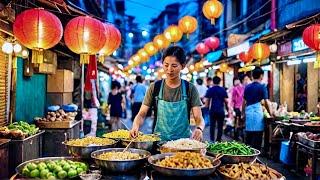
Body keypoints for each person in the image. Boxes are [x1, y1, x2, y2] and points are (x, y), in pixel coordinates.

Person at [130, 46, 205, 141]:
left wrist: (199, 128)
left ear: (183, 66)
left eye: (174, 66)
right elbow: (142, 113)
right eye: (166, 65)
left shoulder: (190, 88)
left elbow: (198, 117)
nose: (169, 69)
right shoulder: (154, 87)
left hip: (183, 144)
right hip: (158, 143)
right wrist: (135, 126)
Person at [242, 67, 272, 150]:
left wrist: (243, 114)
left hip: (248, 112)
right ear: (261, 76)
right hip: (257, 114)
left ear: (252, 76)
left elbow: (243, 102)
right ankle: (256, 158)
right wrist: (270, 114)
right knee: (257, 139)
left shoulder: (247, 87)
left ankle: (246, 158)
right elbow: (266, 102)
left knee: (248, 139)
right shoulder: (262, 87)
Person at [204, 76, 228, 142]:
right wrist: (228, 110)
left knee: (212, 126)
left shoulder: (210, 90)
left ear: (213, 81)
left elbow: (207, 102)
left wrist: (206, 108)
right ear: (220, 81)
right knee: (220, 126)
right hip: (221, 110)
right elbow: (226, 101)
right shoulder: (223, 90)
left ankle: (212, 140)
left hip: (213, 110)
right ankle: (218, 140)